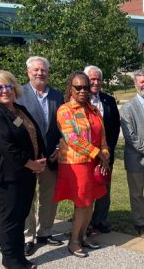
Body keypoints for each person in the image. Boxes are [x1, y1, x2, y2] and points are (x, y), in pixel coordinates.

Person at [0, 70, 46, 269]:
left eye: (8, 86)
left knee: (20, 217)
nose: (4, 91)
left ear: (14, 88)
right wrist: (31, 163)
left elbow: (33, 134)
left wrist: (41, 157)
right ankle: (10, 260)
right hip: (6, 176)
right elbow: (6, 147)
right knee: (10, 219)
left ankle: (19, 257)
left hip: (24, 174)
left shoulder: (18, 110)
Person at [54, 71, 110, 258]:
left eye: (86, 87)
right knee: (82, 203)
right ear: (70, 88)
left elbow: (102, 136)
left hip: (94, 163)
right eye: (78, 87)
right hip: (77, 164)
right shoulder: (65, 110)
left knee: (91, 201)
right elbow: (73, 139)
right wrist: (98, 154)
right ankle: (74, 241)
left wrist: (105, 154)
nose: (83, 91)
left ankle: (83, 236)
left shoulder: (93, 110)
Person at [17, 56, 64, 256]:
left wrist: (59, 148)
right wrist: (25, 155)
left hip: (51, 157)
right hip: (29, 158)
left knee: (49, 197)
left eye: (43, 70)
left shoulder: (57, 95)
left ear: (48, 72)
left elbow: (63, 126)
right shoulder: (18, 94)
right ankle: (29, 237)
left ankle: (45, 231)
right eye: (35, 70)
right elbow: (15, 127)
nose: (39, 73)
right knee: (28, 197)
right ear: (28, 72)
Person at [84, 65, 120, 234]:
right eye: (92, 79)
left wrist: (107, 152)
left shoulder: (109, 100)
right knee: (86, 189)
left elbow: (114, 128)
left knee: (104, 189)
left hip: (105, 155)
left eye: (98, 79)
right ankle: (84, 222)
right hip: (84, 155)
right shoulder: (78, 100)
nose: (96, 82)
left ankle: (100, 220)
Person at [120, 69, 144, 235]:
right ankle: (139, 222)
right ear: (136, 84)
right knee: (137, 193)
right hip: (136, 158)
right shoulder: (128, 107)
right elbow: (130, 136)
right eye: (142, 82)